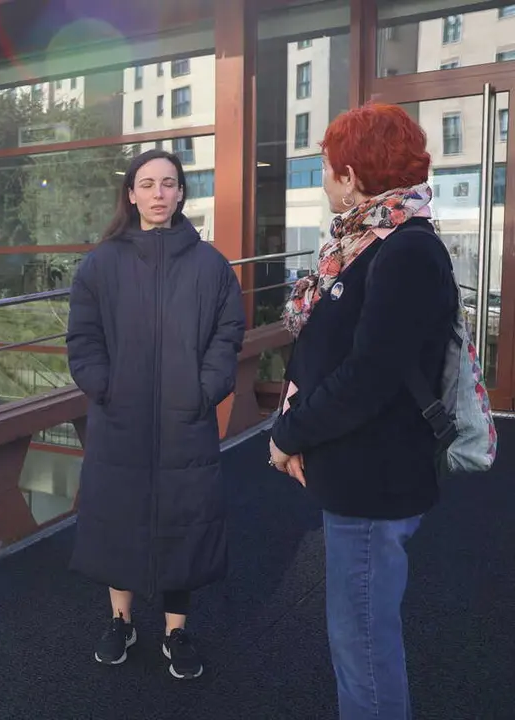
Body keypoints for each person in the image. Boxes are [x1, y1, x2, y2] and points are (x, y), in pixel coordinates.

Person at [269, 103, 457, 719]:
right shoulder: (364, 242)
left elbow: (367, 376)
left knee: (364, 645)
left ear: (351, 175)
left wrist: (289, 432)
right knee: (358, 633)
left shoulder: (405, 250)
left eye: (326, 168)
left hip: (376, 477)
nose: (322, 181)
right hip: (359, 467)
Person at [66, 148, 245, 680]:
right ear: (131, 194)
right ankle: (121, 621)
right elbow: (83, 338)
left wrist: (204, 390)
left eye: (169, 183)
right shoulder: (102, 263)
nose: (159, 194)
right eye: (148, 184)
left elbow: (227, 334)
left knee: (182, 523)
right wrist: (106, 388)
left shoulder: (209, 264)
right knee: (118, 519)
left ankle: (176, 629)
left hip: (184, 420)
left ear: (182, 193)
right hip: (119, 420)